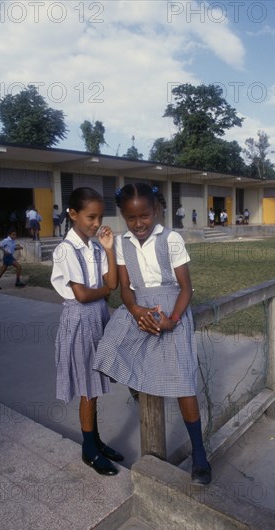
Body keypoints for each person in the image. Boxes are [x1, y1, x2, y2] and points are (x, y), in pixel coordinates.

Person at [93, 183, 212, 485]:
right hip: (140, 306)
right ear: (123, 216)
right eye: (131, 218)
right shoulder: (122, 243)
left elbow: (186, 287)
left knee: (184, 382)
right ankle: (136, 385)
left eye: (144, 216)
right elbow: (125, 289)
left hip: (172, 308)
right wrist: (136, 313)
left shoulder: (170, 239)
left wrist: (172, 319)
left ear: (155, 210)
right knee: (108, 347)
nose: (139, 224)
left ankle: (199, 455)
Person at [51, 187, 123, 476]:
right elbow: (81, 295)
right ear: (72, 214)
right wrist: (105, 291)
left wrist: (109, 248)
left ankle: (96, 440)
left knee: (95, 386)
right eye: (90, 217)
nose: (96, 223)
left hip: (99, 317)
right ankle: (88, 449)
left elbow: (113, 283)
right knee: (87, 389)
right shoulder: (65, 250)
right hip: (80, 320)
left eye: (100, 217)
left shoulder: (95, 248)